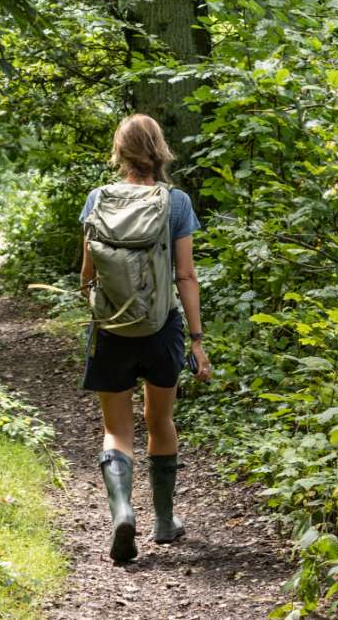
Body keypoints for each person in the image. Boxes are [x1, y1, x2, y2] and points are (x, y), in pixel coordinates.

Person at [80, 113, 212, 565]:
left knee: (116, 429)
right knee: (160, 421)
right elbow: (186, 275)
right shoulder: (175, 203)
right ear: (160, 149)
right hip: (161, 329)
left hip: (111, 329)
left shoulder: (98, 199)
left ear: (120, 151)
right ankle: (164, 521)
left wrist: (101, 309)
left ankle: (122, 509)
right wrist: (196, 340)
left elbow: (87, 274)